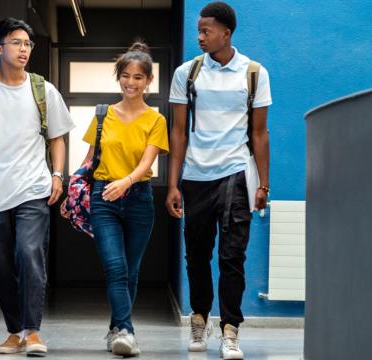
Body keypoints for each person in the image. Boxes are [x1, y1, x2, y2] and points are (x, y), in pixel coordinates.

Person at [0, 17, 74, 356]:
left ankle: (32, 332)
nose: (23, 49)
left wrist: (57, 175)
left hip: (33, 190)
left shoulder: (43, 90)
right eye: (16, 43)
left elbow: (58, 138)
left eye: (27, 44)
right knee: (3, 264)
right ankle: (13, 330)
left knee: (29, 255)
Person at [166, 2, 271, 359]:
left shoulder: (254, 73)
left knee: (232, 256)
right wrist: (173, 183)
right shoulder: (187, 73)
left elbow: (259, 134)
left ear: (226, 33)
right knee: (196, 256)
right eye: (198, 30)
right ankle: (199, 317)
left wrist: (263, 185)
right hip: (196, 176)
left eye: (206, 31)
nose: (199, 37)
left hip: (237, 175)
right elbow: (178, 132)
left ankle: (231, 329)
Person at [81, 41, 169, 357]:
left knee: (131, 272)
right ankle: (127, 333)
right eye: (125, 76)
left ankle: (115, 328)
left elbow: (148, 163)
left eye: (138, 77)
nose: (130, 82)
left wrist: (127, 182)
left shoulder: (156, 121)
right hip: (104, 197)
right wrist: (73, 188)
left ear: (148, 81)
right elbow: (89, 159)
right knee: (115, 268)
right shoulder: (103, 115)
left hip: (139, 199)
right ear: (118, 77)